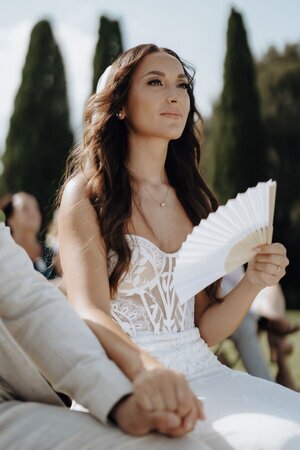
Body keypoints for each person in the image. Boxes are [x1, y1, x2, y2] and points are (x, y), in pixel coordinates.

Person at [58, 44, 300, 449]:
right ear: (119, 105)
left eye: (182, 85)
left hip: (207, 374)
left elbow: (204, 328)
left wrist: (254, 282)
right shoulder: (86, 194)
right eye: (155, 82)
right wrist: (149, 369)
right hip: (130, 382)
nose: (175, 95)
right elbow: (89, 311)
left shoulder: (196, 200)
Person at [0, 214, 211, 449]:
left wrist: (119, 399)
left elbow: (25, 299)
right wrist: (140, 368)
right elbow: (87, 307)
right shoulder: (82, 200)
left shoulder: (192, 202)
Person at [0, 192, 57, 280]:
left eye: (36, 207)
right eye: (25, 208)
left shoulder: (55, 255)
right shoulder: (5, 260)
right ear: (10, 219)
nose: (34, 212)